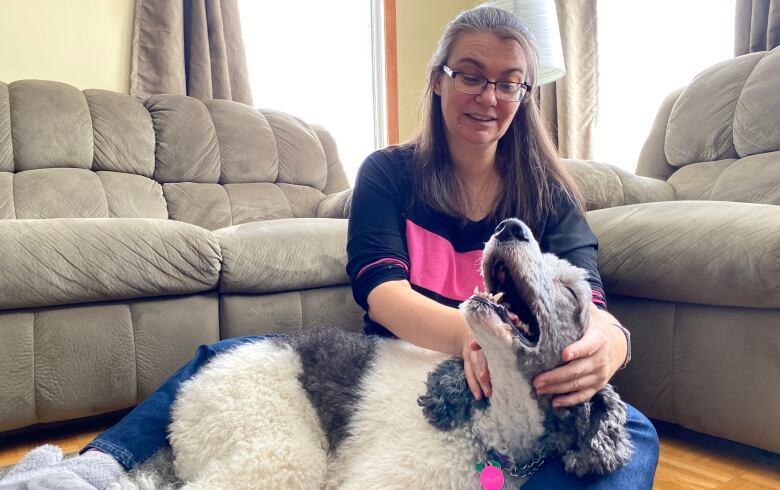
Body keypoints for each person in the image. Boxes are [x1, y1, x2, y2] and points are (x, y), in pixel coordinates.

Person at [0, 5, 658, 490]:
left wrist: (611, 343)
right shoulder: (388, 172)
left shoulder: (548, 191)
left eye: (509, 81)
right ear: (437, 80)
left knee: (633, 431)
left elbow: (588, 294)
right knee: (227, 357)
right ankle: (99, 466)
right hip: (401, 365)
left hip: (514, 391)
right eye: (471, 75)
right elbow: (381, 290)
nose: (489, 96)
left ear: (525, 92)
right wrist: (465, 336)